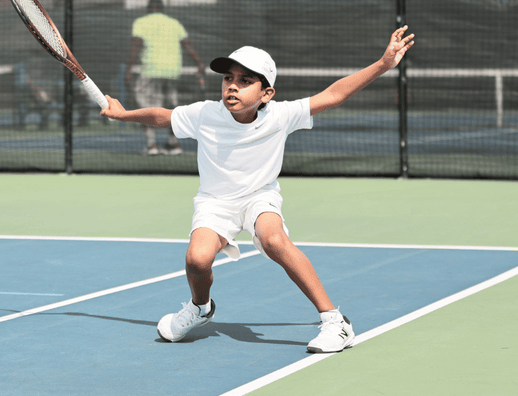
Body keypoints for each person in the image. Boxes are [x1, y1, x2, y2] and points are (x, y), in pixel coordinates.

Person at [101, 26, 415, 353]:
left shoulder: (280, 116)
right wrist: (123, 115)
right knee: (196, 260)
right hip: (214, 202)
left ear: (267, 93)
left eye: (245, 81)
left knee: (274, 239)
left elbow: (334, 94)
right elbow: (162, 116)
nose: (232, 86)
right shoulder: (205, 114)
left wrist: (382, 64)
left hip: (259, 197)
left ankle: (336, 322)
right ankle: (200, 307)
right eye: (228, 78)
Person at [126, 0, 205, 155]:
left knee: (146, 109)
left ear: (148, 8)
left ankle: (151, 145)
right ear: (162, 9)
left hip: (151, 70)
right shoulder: (174, 23)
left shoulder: (141, 22)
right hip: (172, 72)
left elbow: (136, 45)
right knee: (170, 109)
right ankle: (173, 144)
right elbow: (187, 44)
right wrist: (199, 63)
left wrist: (129, 69)